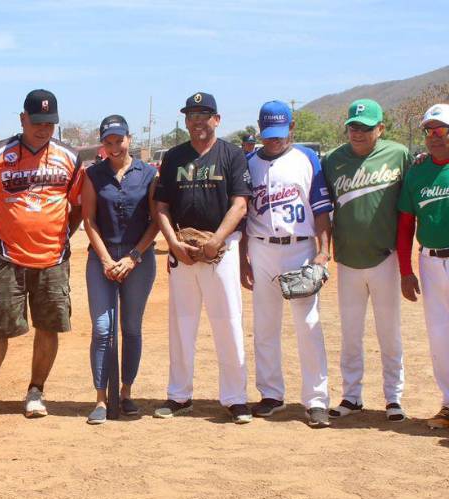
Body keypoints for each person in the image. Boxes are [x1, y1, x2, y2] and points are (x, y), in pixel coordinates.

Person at [0, 89, 84, 424]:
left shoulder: (70, 158)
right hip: (8, 259)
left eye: (50, 123)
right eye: (38, 122)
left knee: (48, 326)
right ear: (23, 119)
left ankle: (36, 391)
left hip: (53, 260)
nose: (44, 129)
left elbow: (78, 208)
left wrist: (61, 237)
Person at [152, 92, 253, 424]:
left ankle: (236, 398)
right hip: (182, 250)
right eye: (191, 115)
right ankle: (179, 395)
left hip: (220, 251)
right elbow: (162, 206)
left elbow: (240, 204)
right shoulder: (174, 157)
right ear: (185, 120)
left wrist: (216, 241)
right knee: (182, 325)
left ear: (216, 119)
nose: (197, 120)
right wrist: (172, 243)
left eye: (204, 114)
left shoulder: (232, 155)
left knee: (228, 323)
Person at [240, 100, 333, 428]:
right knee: (264, 326)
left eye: (280, 133)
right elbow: (243, 216)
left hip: (300, 248)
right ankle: (271, 394)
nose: (274, 140)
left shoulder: (307, 159)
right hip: (261, 248)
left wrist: (322, 253)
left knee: (308, 325)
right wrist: (243, 261)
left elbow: (321, 209)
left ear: (292, 128)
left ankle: (317, 400)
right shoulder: (249, 162)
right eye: (269, 134)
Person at [322, 99, 410, 422]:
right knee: (350, 333)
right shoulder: (332, 160)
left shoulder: (399, 154)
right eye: (353, 127)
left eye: (366, 127)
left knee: (389, 332)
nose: (358, 133)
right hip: (347, 261)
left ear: (381, 129)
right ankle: (352, 395)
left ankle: (394, 397)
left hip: (385, 258)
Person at [81, 115, 159, 424]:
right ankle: (101, 399)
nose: (114, 147)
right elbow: (89, 220)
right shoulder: (93, 175)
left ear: (129, 138)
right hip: (101, 259)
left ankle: (126, 393)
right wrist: (105, 260)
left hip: (138, 261)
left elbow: (156, 221)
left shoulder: (149, 173)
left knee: (130, 328)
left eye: (119, 140)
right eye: (108, 142)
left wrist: (133, 257)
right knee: (102, 329)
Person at [397, 103, 449, 429]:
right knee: (440, 336)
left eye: (441, 130)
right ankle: (448, 404)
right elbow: (405, 226)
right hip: (430, 261)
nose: (434, 137)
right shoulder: (417, 173)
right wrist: (405, 270)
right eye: (429, 131)